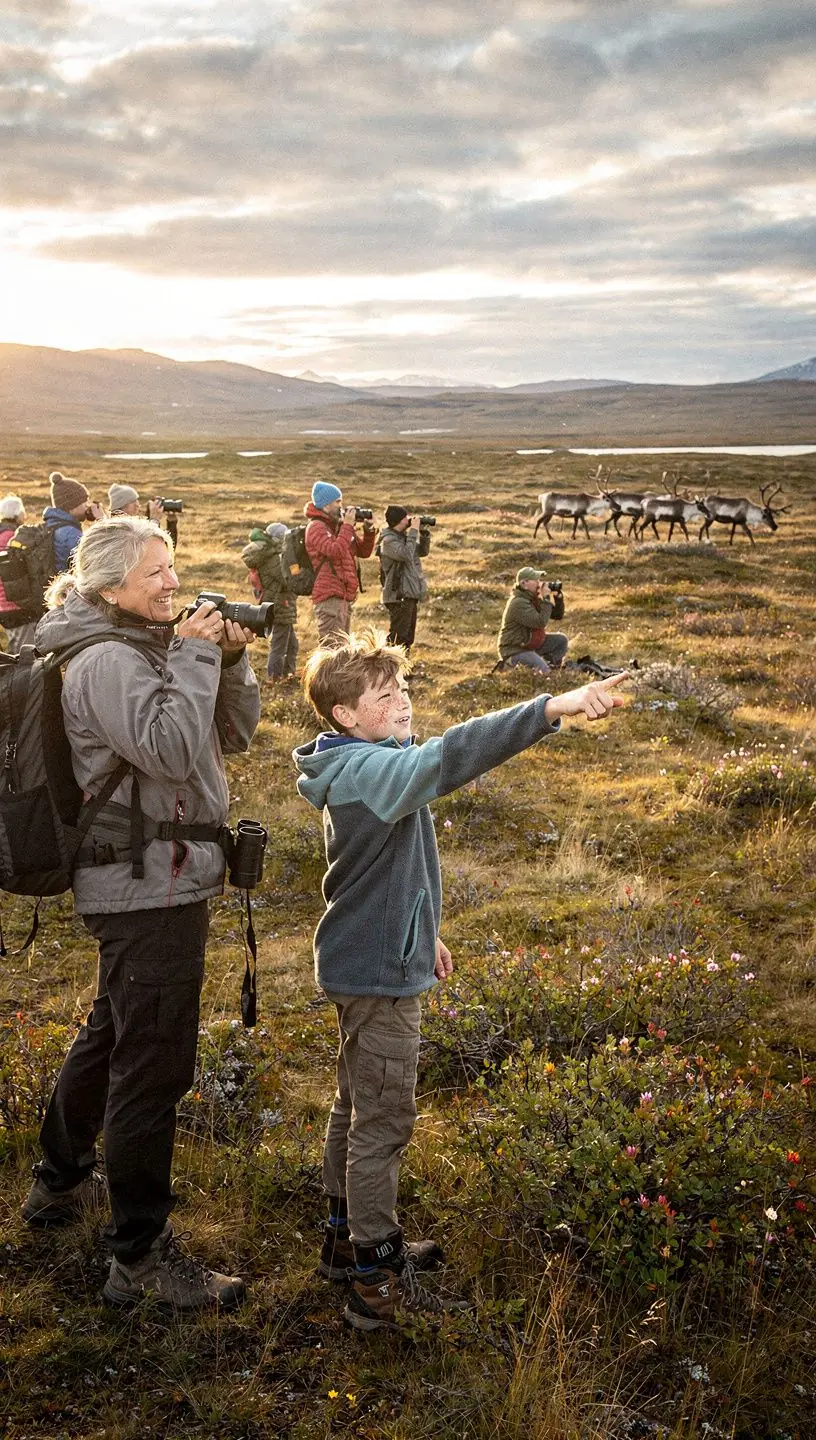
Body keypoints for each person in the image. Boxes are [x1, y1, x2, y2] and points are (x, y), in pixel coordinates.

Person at [294, 629, 626, 1329]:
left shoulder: (366, 760)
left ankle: (342, 1236)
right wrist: (551, 708)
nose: (404, 702)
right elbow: (451, 757)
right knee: (384, 1119)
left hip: (372, 955)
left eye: (404, 688)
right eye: (386, 696)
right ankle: (372, 1272)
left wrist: (425, 927)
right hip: (378, 973)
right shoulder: (370, 772)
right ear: (346, 715)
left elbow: (384, 867)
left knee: (356, 1105)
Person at [21, 516, 261, 1314]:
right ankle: (139, 1259)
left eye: (173, 566)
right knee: (152, 1065)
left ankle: (56, 1184)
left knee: (113, 1033)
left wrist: (226, 659)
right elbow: (165, 750)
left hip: (160, 880)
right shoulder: (102, 661)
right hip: (147, 886)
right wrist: (193, 654)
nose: (172, 582)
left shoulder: (141, 648)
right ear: (110, 586)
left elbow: (231, 734)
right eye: (155, 572)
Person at [304, 481, 376, 644]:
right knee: (332, 650)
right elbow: (334, 551)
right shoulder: (316, 527)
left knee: (342, 649)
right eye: (338, 502)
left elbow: (363, 552)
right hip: (329, 596)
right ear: (326, 504)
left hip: (343, 596)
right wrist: (348, 526)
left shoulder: (339, 527)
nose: (341, 506)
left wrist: (369, 530)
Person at [241, 522, 299, 681]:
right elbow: (287, 580)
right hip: (280, 605)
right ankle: (275, 678)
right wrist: (296, 566)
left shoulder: (271, 555)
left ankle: (289, 675)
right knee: (280, 646)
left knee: (292, 644)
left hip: (279, 603)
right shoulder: (273, 559)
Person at [497, 567, 569, 674]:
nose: (540, 584)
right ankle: (509, 664)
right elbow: (539, 622)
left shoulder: (531, 599)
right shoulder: (518, 603)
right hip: (514, 649)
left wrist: (558, 598)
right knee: (543, 671)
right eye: (536, 581)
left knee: (561, 641)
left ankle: (551, 668)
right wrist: (545, 599)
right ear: (524, 583)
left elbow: (557, 615)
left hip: (528, 645)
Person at [379, 506, 431, 653]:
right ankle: (389, 669)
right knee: (398, 637)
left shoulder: (403, 538)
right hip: (398, 595)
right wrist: (413, 531)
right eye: (405, 518)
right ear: (398, 520)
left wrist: (424, 532)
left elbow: (422, 552)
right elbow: (406, 554)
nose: (408, 520)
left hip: (409, 593)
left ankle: (403, 670)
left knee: (408, 637)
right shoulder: (388, 540)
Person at [44, 471, 104, 573]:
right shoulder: (70, 533)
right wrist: (101, 522)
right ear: (71, 507)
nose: (87, 505)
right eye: (84, 501)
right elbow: (95, 559)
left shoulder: (54, 524)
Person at [0, 494, 38, 651]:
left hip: (2, 605)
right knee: (24, 654)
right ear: (16, 514)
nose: (25, 515)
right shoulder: (13, 538)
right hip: (16, 603)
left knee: (15, 646)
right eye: (23, 511)